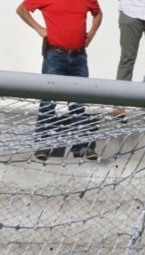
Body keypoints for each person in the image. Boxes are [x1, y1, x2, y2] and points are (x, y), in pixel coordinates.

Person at [16, 0, 103, 161]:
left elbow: (98, 14)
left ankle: (80, 147)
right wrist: (40, 29)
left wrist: (91, 34)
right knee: (48, 101)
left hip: (79, 56)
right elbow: (21, 9)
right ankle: (42, 145)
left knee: (78, 102)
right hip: (55, 55)